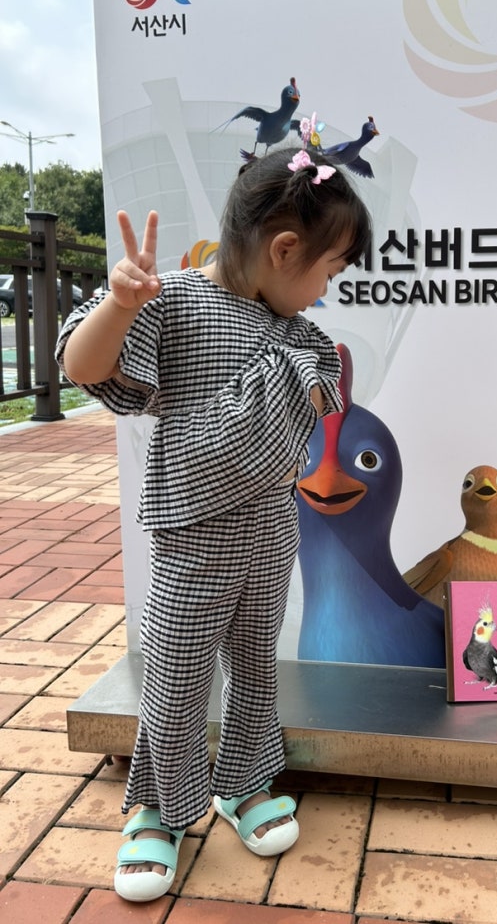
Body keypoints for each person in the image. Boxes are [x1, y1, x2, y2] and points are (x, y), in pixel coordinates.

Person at [56, 147, 371, 903]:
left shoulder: (295, 329)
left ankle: (243, 779)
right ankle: (158, 807)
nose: (327, 288)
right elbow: (82, 367)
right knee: (178, 674)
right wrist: (120, 305)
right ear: (284, 250)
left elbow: (322, 392)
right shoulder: (173, 301)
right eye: (329, 270)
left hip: (271, 528)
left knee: (257, 665)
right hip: (193, 534)